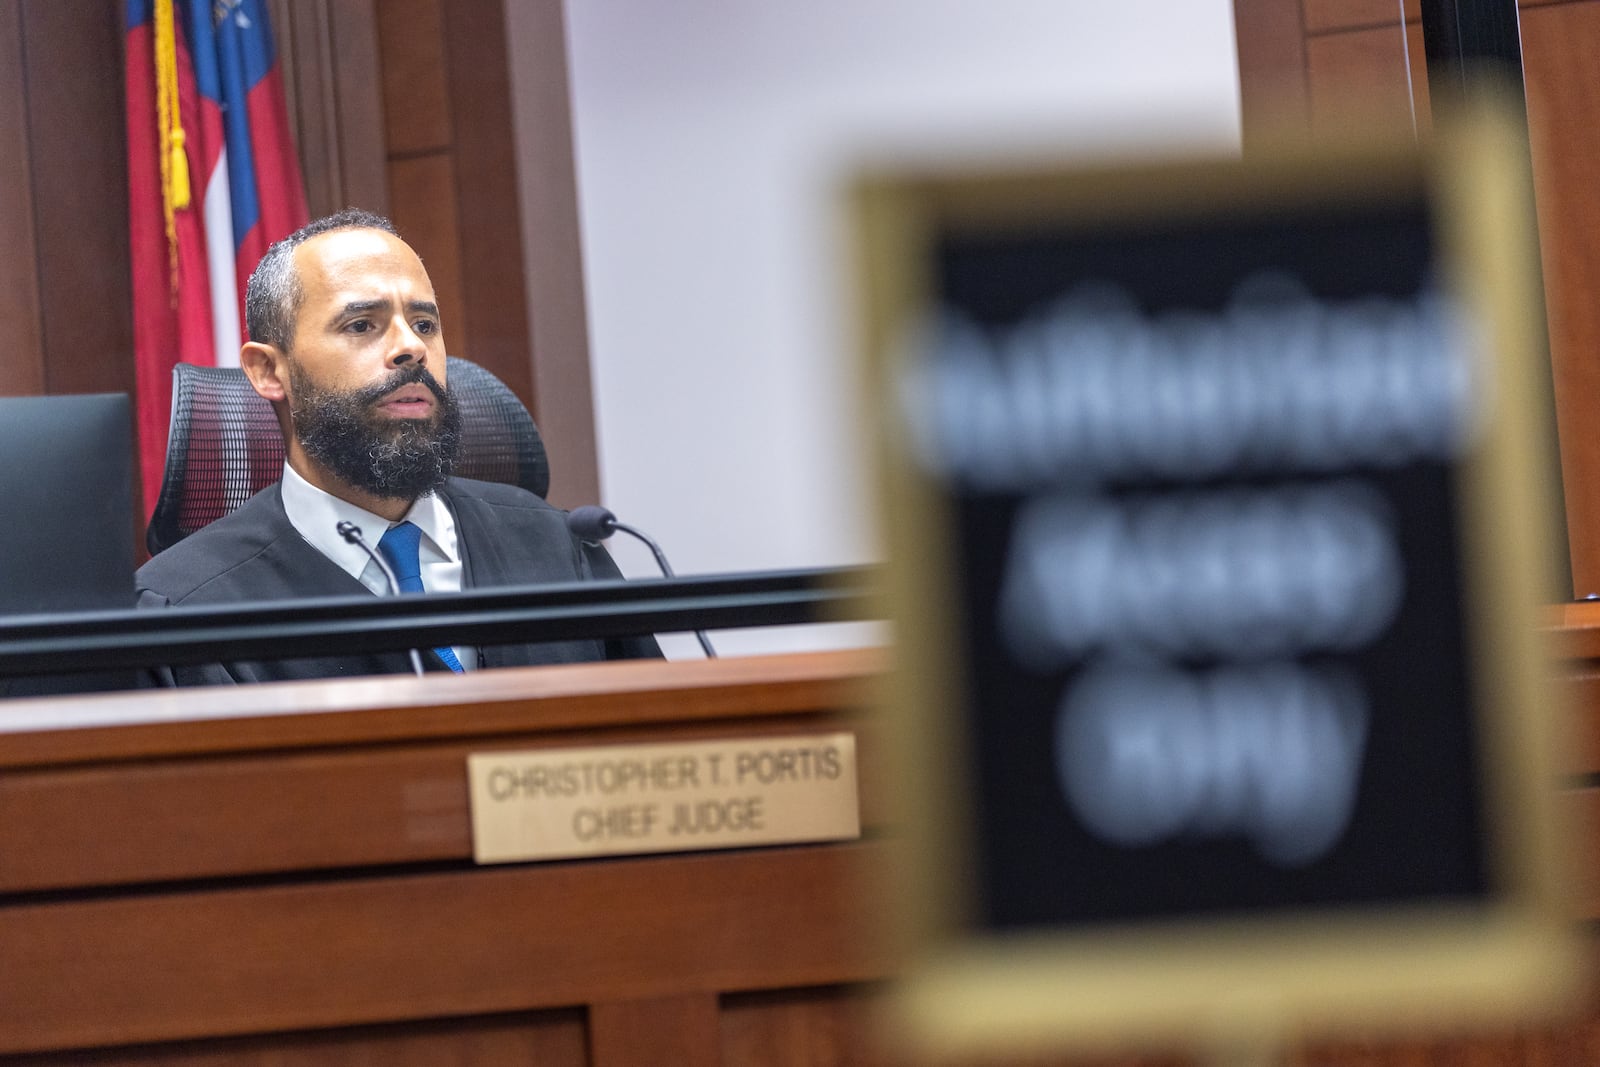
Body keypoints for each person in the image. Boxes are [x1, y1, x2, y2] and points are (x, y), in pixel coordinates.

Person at [136, 208, 659, 685]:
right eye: (362, 325)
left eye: (425, 324)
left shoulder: (558, 549)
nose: (411, 347)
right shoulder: (182, 611)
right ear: (270, 371)